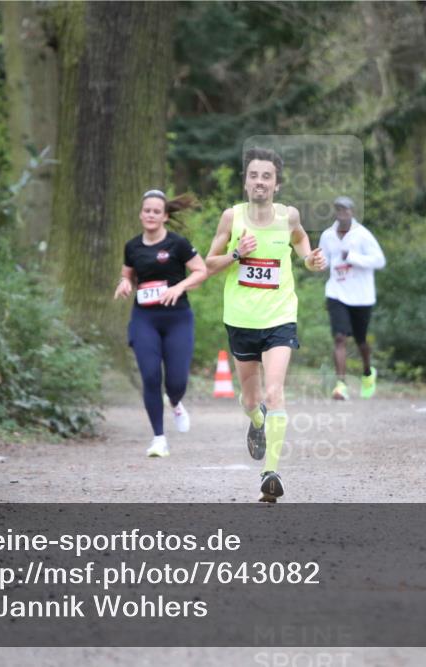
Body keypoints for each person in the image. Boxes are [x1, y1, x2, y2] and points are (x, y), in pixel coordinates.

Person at [205, 147, 327, 502]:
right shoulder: (232, 218)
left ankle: (269, 473)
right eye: (254, 175)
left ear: (277, 184)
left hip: (279, 317)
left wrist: (308, 258)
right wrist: (236, 254)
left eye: (267, 176)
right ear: (245, 182)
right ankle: (256, 421)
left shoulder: (288, 216)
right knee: (250, 398)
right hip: (241, 319)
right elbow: (207, 264)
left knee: (274, 392)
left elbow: (301, 238)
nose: (260, 182)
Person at [115, 189, 208, 457]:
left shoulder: (178, 244)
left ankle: (176, 402)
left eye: (157, 211)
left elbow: (201, 271)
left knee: (176, 381)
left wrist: (179, 287)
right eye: (147, 211)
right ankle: (159, 438)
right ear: (141, 214)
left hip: (177, 318)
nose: (151, 215)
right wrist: (123, 283)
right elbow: (128, 276)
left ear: (165, 216)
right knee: (151, 376)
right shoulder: (132, 246)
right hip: (145, 318)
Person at [317, 196, 386, 400]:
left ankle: (367, 373)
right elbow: (324, 261)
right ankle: (341, 385)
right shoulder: (328, 235)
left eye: (345, 210)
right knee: (339, 337)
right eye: (338, 209)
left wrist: (352, 258)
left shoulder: (362, 235)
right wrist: (318, 262)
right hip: (337, 292)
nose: (342, 213)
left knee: (361, 340)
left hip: (361, 296)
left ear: (352, 212)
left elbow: (379, 261)